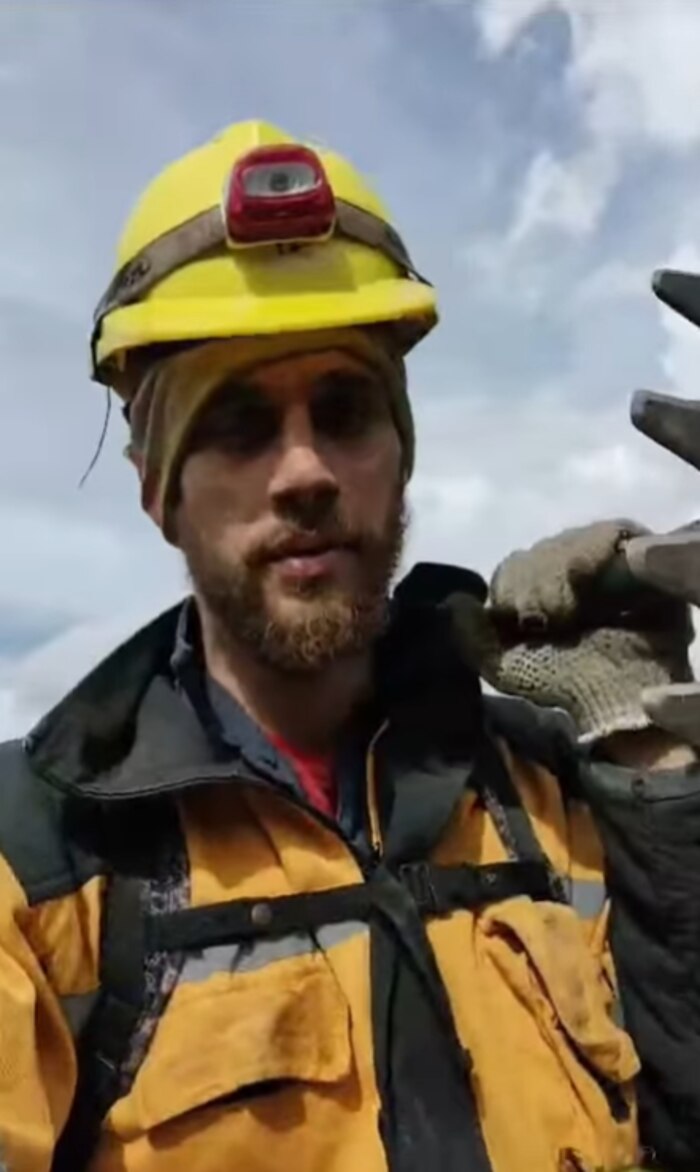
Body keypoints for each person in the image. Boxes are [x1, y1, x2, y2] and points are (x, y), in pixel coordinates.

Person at [0, 119, 698, 1172]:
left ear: (400, 454)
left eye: (345, 411)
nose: (306, 472)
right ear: (157, 491)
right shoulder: (39, 862)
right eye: (238, 427)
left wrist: (651, 762)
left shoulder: (551, 801)